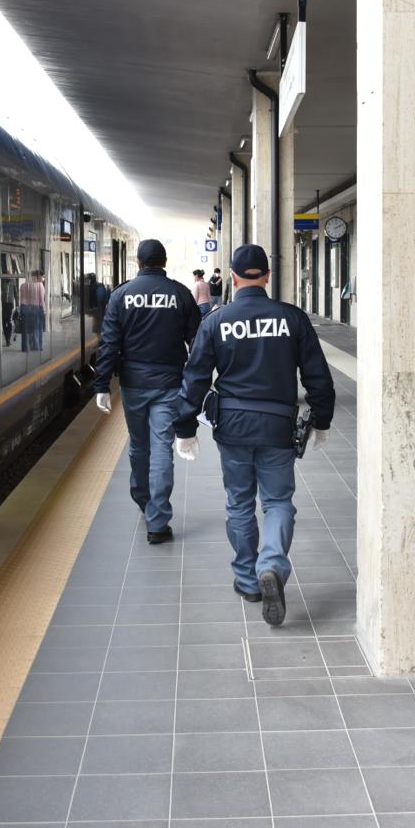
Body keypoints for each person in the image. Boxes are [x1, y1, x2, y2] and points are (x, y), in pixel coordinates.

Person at [174, 244, 334, 626]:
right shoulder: (291, 318)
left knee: (239, 502)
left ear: (231, 277)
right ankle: (272, 567)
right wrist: (321, 420)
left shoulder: (216, 321)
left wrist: (184, 428)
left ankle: (247, 580)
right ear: (266, 276)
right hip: (278, 426)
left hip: (232, 428)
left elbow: (195, 377)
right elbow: (317, 375)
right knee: (278, 502)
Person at [93, 239, 201, 544]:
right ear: (164, 262)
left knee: (140, 446)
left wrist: (101, 384)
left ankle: (143, 499)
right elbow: (197, 343)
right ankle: (157, 519)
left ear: (138, 263)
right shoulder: (180, 294)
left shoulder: (121, 296)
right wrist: (197, 383)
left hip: (133, 384)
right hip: (169, 383)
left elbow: (109, 344)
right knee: (162, 449)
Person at [18, 270, 46, 351]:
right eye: (42, 276)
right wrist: (44, 310)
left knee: (26, 329)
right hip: (35, 307)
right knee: (37, 328)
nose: (42, 278)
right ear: (37, 277)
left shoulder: (23, 285)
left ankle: (25, 348)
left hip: (23, 307)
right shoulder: (39, 285)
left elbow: (21, 298)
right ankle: (37, 346)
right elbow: (41, 299)